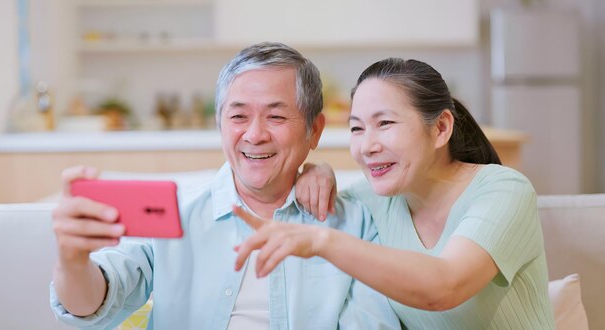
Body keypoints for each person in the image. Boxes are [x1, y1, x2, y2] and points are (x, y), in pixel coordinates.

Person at [49, 42, 399, 329]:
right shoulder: (173, 212)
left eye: (276, 116)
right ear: (219, 125)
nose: (255, 134)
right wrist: (73, 260)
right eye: (238, 116)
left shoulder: (354, 224)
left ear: (315, 130)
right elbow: (89, 308)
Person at [234, 57, 556, 328]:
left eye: (385, 123)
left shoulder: (504, 191)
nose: (367, 147)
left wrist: (321, 241)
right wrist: (317, 171)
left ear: (441, 128)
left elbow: (445, 286)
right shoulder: (371, 203)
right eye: (357, 128)